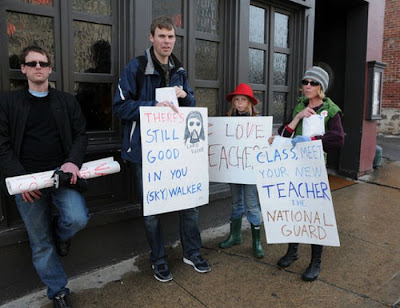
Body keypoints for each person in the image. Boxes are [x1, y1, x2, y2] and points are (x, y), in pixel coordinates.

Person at [113, 16, 211, 283]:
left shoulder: (179, 69)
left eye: (171, 37)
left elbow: (191, 105)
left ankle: (192, 252)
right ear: (151, 37)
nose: (167, 42)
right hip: (146, 152)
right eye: (162, 36)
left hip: (178, 150)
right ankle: (158, 260)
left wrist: (186, 96)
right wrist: (150, 107)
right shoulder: (136, 66)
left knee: (189, 205)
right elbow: (120, 106)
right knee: (152, 212)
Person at [0, 45, 89, 307]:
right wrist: (20, 180)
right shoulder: (8, 103)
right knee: (40, 243)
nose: (38, 67)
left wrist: (73, 163)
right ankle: (58, 291)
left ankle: (61, 236)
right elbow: (2, 145)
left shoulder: (66, 101)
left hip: (61, 175)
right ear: (24, 69)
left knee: (77, 218)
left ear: (50, 69)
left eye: (42, 63)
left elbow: (81, 135)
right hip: (27, 181)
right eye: (32, 63)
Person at [272, 66, 344, 281]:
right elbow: (283, 134)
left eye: (313, 83)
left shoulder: (330, 110)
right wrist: (299, 118)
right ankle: (292, 251)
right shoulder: (300, 107)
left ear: (321, 86)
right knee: (295, 210)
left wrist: (312, 141)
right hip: (294, 167)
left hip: (314, 170)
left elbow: (338, 139)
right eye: (305, 82)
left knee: (314, 215)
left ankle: (316, 261)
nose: (308, 86)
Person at [218, 83, 264, 258]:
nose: (239, 103)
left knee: (251, 204)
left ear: (249, 103)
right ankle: (235, 235)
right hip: (234, 169)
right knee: (236, 202)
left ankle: (256, 242)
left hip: (250, 171)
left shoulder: (257, 123)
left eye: (243, 100)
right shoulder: (227, 121)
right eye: (236, 100)